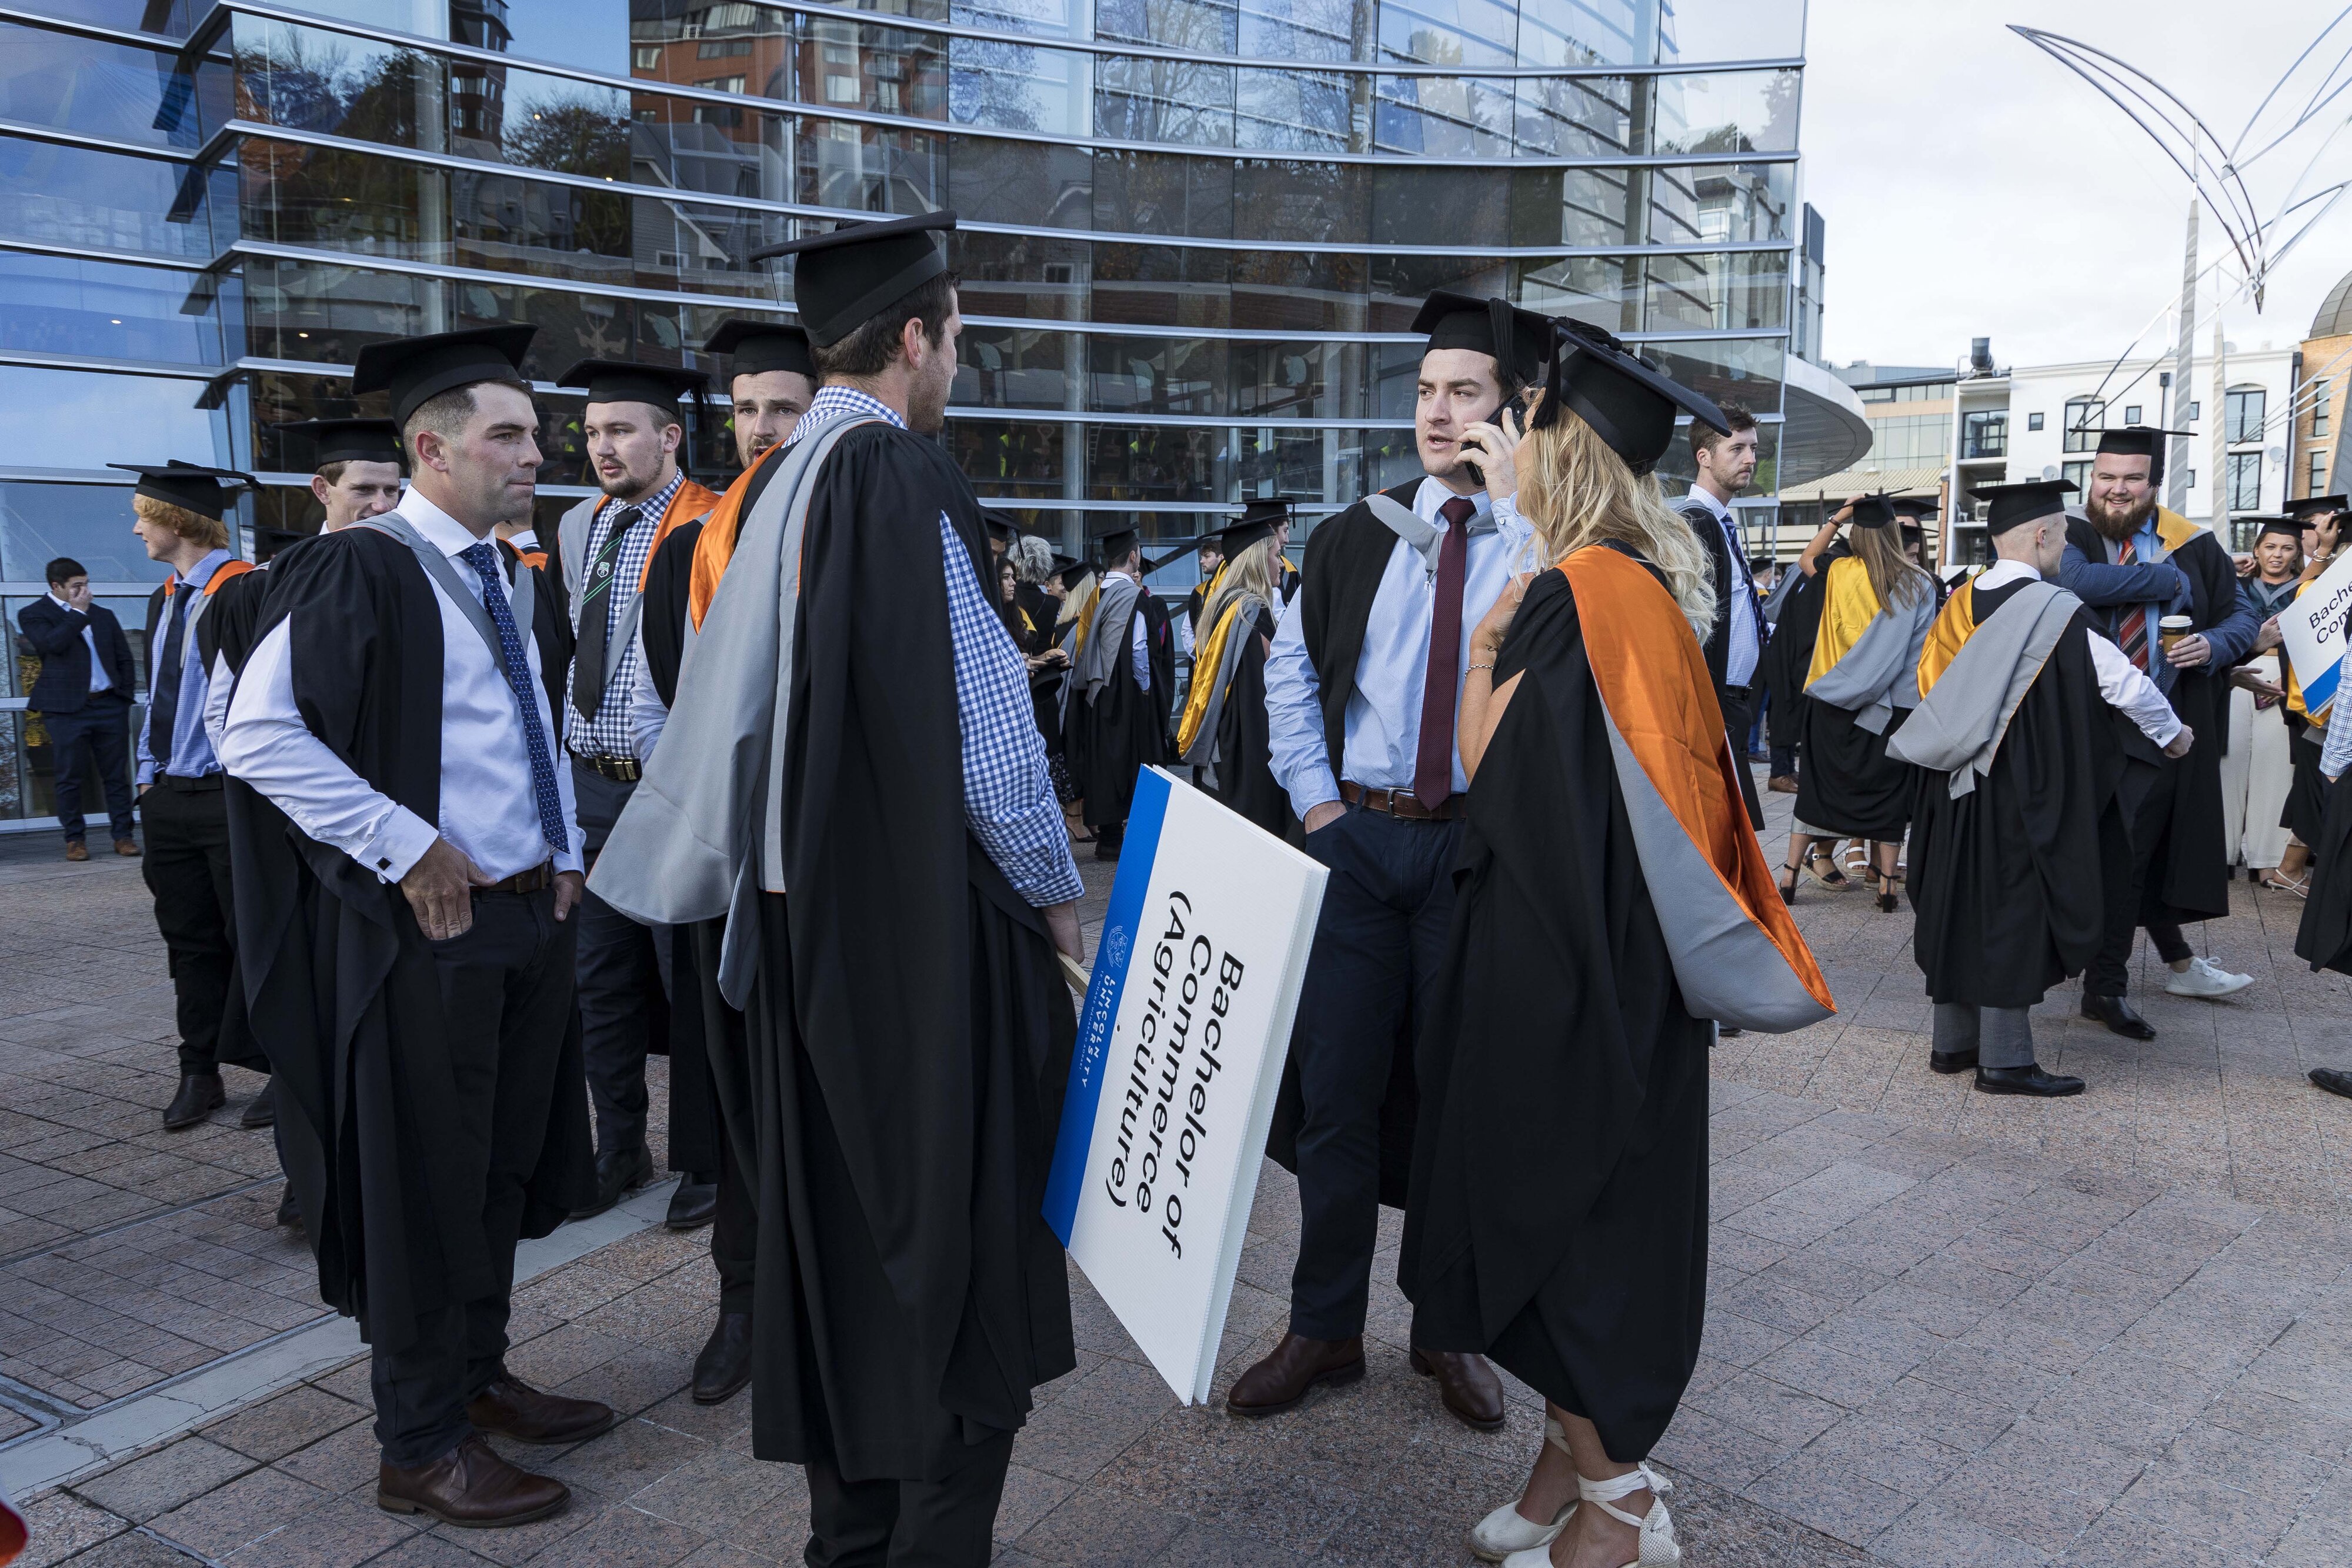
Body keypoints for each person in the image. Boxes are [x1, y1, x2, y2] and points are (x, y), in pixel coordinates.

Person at [588, 210, 1086, 1561]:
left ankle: (850, 1536)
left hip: (796, 941)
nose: (957, 361)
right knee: (946, 1245)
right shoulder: (899, 472)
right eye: (958, 335)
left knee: (844, 1251)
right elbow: (989, 734)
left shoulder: (771, 492)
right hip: (918, 944)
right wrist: (1055, 902)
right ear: (917, 335)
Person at [1406, 319, 1832, 1568]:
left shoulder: (1574, 596)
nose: (1504, 444)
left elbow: (1485, 773)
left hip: (1559, 978)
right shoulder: (1632, 590)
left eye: (1524, 427)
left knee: (1561, 1227)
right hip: (1618, 965)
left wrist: (1487, 642)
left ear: (1561, 452)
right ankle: (1560, 1476)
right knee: (1582, 1223)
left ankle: (1622, 1510)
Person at [219, 325, 605, 1525]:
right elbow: (257, 735)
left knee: (496, 1172)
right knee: (426, 1187)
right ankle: (418, 1443)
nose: (534, 452)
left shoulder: (506, 571)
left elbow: (531, 727)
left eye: (535, 434)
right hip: (430, 934)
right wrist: (408, 843)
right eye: (507, 434)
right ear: (431, 447)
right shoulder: (363, 568)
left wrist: (566, 852)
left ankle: (476, 1379)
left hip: (523, 917)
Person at [1243, 291, 1548, 1434]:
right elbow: (1287, 672)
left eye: (1463, 391)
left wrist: (1524, 505)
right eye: (1425, 390)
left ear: (1510, 410)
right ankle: (1323, 1324)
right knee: (1337, 1095)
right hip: (1359, 847)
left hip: (1475, 855)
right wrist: (1321, 809)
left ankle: (1446, 1328)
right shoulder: (1356, 532)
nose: (1436, 411)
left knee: (1457, 1101)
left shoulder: (1541, 541)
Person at [621, 316, 815, 1409]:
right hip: (725, 873)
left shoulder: (856, 522)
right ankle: (740, 1305)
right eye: (745, 410)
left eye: (781, 408)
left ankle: (817, 1304)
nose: (760, 429)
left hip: (832, 881)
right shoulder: (687, 558)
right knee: (735, 1104)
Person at [1893, 478, 2191, 1097]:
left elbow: (1929, 686)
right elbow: (2128, 687)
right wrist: (2175, 735)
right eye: (2061, 533)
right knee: (2013, 914)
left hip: (1951, 786)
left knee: (1957, 906)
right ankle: (2004, 1061)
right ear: (2041, 534)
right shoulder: (2057, 611)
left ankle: (1953, 1045)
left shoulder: (1958, 602)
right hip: (2019, 794)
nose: (2064, 545)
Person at [197, 419, 407, 1176]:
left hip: (390, 845)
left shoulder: (416, 577)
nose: (381, 504)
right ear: (323, 490)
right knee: (308, 1006)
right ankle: (308, 1176)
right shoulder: (255, 594)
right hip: (303, 842)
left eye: (393, 489)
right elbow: (229, 725)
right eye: (365, 490)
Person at [548, 358, 722, 1222]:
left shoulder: (714, 524)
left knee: (686, 987)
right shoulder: (578, 525)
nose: (602, 447)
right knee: (601, 982)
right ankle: (619, 1145)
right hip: (589, 793)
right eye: (589, 433)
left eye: (620, 430)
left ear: (670, 436)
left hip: (667, 795)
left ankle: (706, 1157)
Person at [2061, 427, 2260, 1037]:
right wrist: (2166, 584)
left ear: (2153, 485)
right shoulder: (2070, 533)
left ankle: (2107, 986)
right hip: (2082, 724)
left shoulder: (2191, 542)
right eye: (2106, 477)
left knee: (2134, 856)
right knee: (2078, 851)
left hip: (2164, 729)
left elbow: (2243, 613)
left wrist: (2216, 642)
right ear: (2091, 477)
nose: (2117, 490)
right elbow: (2071, 585)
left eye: (2131, 479)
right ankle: (2069, 967)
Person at [117, 462, 269, 1129]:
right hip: (170, 800)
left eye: (143, 515)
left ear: (176, 520)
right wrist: (148, 777)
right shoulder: (164, 597)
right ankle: (199, 1069)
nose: (136, 527)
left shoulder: (247, 590)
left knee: (256, 938)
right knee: (189, 941)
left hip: (228, 798)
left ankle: (283, 1071)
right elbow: (160, 691)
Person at [1781, 495, 1938, 911]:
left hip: (1831, 702)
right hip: (1887, 711)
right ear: (1893, 534)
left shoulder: (1838, 572)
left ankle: (1790, 876)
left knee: (1817, 790)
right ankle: (1886, 884)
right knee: (1886, 794)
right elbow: (1916, 657)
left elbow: (1805, 559)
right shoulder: (1919, 582)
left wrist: (1837, 517)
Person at [1671, 400, 1768, 829]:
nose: (1750, 459)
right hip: (1712, 703)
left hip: (1731, 703)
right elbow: (1687, 621)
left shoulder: (1720, 521)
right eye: (1737, 449)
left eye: (1753, 448)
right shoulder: (1696, 523)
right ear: (1704, 457)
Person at [1174, 505, 1292, 836]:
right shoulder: (1251, 615)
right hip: (1250, 752)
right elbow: (1262, 700)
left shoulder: (1222, 605)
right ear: (1256, 560)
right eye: (1275, 554)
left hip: (1224, 744)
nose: (1281, 563)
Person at [1061, 519, 1173, 859]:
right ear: (1135, 556)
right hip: (1124, 695)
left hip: (1095, 691)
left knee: (1103, 763)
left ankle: (1108, 839)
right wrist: (1145, 690)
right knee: (1130, 763)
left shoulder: (1097, 594)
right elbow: (1140, 650)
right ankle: (1128, 836)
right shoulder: (1133, 596)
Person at [19, 557, 138, 862]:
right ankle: (75, 840)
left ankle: (123, 836)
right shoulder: (34, 614)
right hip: (66, 710)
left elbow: (124, 657)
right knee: (69, 776)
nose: (85, 591)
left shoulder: (104, 615)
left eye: (86, 584)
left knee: (116, 776)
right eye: (77, 587)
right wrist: (77, 614)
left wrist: (123, 694)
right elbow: (51, 645)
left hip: (109, 706)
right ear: (56, 587)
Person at [1760, 508, 1858, 878]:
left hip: (1819, 674)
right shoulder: (1834, 575)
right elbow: (1808, 560)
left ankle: (1807, 862)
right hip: (1821, 677)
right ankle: (1814, 856)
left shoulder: (1829, 577)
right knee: (1826, 772)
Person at [2226, 518, 2308, 892]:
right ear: (2256, 550)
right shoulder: (2235, 586)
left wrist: (2289, 679)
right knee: (2229, 763)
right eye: (2270, 547)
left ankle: (2268, 860)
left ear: (2297, 554)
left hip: (2285, 682)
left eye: (2287, 548)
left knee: (2274, 768)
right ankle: (2219, 853)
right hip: (2238, 673)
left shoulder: (2308, 590)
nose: (2278, 555)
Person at [2277, 497, 2345, 888]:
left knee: (2313, 787)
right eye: (2319, 526)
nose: (2328, 532)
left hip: (2328, 699)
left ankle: (2291, 867)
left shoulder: (2338, 569)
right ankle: (2294, 870)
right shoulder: (2299, 571)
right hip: (2307, 702)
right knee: (2313, 785)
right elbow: (2298, 612)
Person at [1180, 533, 1225, 659]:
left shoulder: (1233, 588)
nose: (1202, 561)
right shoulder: (1200, 592)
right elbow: (1187, 629)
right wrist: (1199, 656)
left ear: (1221, 558)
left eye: (1207, 556)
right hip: (1203, 659)